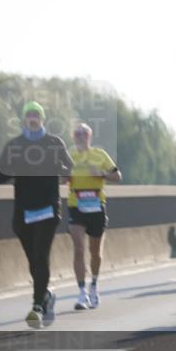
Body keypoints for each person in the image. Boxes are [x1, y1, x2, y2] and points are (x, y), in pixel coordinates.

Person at [0, 101, 73, 328]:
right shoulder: (15, 145)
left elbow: (69, 168)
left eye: (36, 115)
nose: (33, 118)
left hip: (48, 209)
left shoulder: (54, 143)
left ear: (42, 119)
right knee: (33, 261)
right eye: (29, 115)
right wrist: (15, 169)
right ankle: (46, 295)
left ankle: (37, 306)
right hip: (23, 212)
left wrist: (56, 171)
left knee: (41, 256)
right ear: (24, 119)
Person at [67, 123, 121, 310]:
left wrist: (102, 174)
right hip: (76, 205)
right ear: (73, 137)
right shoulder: (68, 155)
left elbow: (117, 176)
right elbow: (59, 177)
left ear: (89, 137)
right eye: (77, 134)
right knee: (78, 248)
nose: (80, 136)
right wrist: (64, 176)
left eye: (84, 133)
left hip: (97, 206)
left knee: (95, 252)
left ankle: (94, 286)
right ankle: (82, 293)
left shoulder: (100, 154)